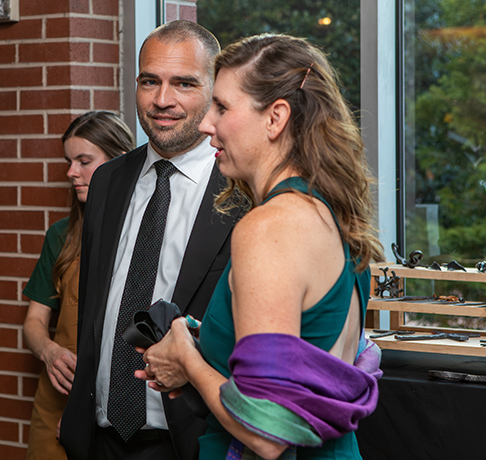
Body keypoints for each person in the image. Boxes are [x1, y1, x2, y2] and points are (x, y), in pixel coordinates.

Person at [135, 34, 385, 459]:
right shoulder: (330, 214)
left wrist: (187, 361)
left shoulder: (270, 226)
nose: (206, 124)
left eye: (222, 107)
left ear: (275, 118)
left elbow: (268, 434)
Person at [59, 20, 240, 460]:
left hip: (194, 439)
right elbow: (95, 309)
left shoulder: (241, 190)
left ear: (214, 91)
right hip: (99, 438)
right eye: (149, 82)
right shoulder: (107, 181)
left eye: (183, 83)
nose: (163, 100)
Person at [23, 111, 134, 460]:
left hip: (120, 404)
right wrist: (49, 352)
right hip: (57, 401)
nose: (71, 172)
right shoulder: (61, 235)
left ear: (118, 161)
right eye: (69, 161)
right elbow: (34, 323)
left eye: (84, 161)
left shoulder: (143, 235)